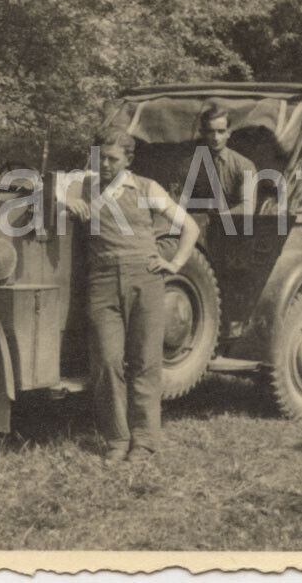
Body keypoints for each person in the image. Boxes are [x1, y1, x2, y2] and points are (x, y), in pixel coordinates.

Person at [65, 129, 200, 463]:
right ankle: (117, 438)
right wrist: (69, 202)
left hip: (145, 278)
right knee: (107, 362)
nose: (106, 165)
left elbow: (190, 226)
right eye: (101, 158)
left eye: (114, 159)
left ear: (128, 159)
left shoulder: (145, 188)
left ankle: (144, 441)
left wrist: (175, 263)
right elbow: (43, 192)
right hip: (102, 280)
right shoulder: (84, 185)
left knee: (144, 362)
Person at [192, 104, 256, 213]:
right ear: (202, 133)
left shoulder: (244, 165)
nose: (216, 138)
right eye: (210, 131)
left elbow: (247, 207)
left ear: (228, 133)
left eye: (221, 131)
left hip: (234, 225)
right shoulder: (188, 166)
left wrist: (220, 218)